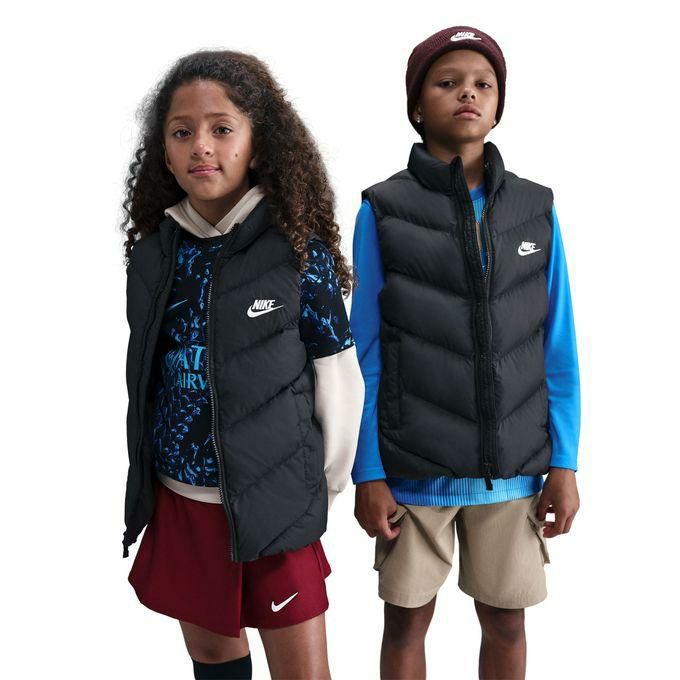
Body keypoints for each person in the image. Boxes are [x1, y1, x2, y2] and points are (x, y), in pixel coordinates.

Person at [119, 49, 364, 680]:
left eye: (222, 128)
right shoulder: (153, 256)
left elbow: (338, 377)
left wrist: (317, 486)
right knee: (212, 655)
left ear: (258, 146)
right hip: (181, 500)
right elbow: (147, 378)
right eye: (182, 132)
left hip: (277, 504)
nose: (201, 145)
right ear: (165, 153)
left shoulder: (298, 253)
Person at [350, 26, 581, 680]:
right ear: (417, 105)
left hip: (512, 470)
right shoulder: (384, 209)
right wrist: (369, 471)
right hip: (411, 467)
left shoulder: (535, 209)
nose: (468, 94)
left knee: (507, 622)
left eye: (483, 84)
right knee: (405, 622)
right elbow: (363, 349)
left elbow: (557, 344)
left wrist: (564, 462)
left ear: (499, 105)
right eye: (448, 83)